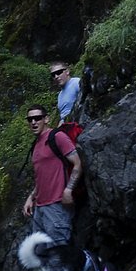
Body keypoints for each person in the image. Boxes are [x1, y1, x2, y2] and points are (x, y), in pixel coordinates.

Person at [22, 104, 82, 245]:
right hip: (40, 208)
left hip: (57, 207)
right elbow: (41, 177)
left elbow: (77, 163)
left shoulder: (57, 137)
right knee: (41, 255)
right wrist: (31, 198)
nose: (33, 122)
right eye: (30, 119)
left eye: (37, 118)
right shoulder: (36, 145)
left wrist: (68, 190)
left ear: (46, 119)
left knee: (58, 256)